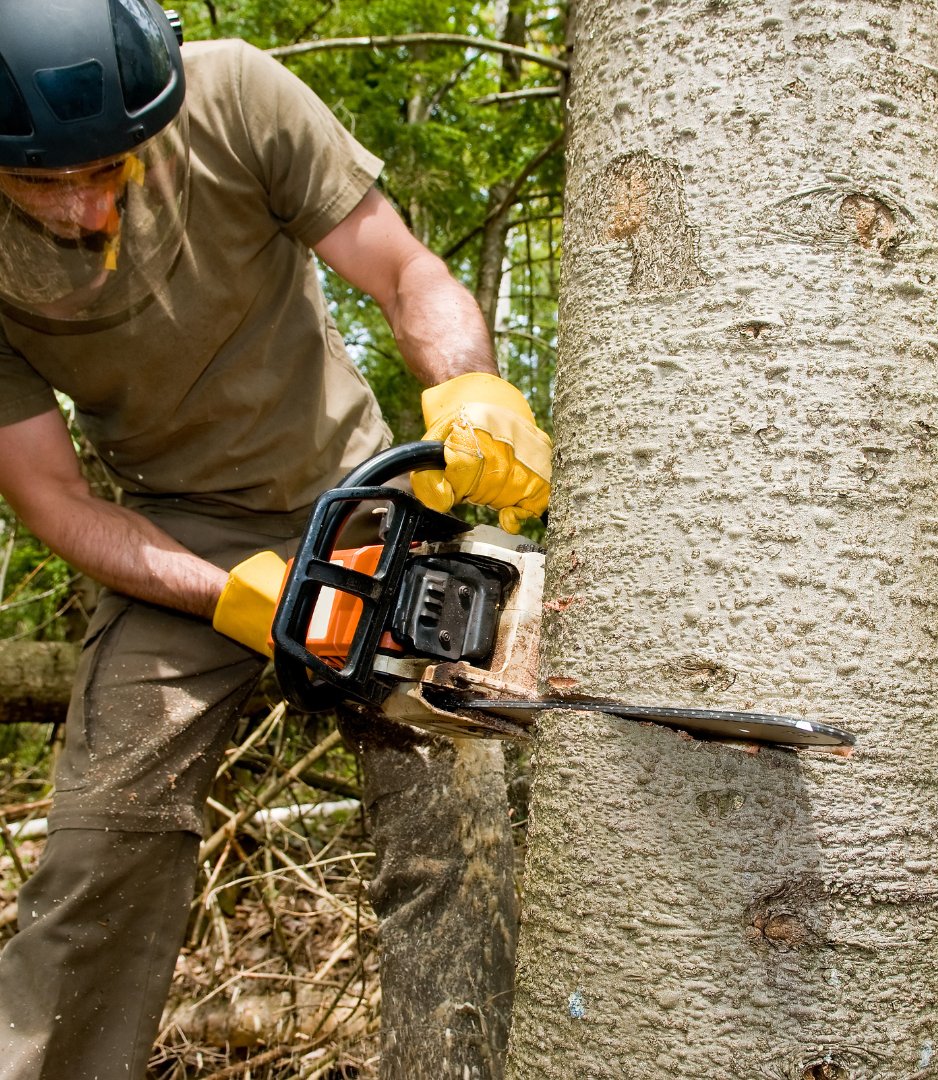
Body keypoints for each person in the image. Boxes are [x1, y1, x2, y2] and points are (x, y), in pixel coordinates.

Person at [0, 2, 550, 1078]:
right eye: (40, 182)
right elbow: (51, 497)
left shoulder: (236, 95)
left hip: (356, 502)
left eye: (107, 167)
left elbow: (405, 274)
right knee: (106, 838)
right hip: (169, 538)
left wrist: (471, 387)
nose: (80, 201)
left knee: (462, 819)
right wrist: (224, 595)